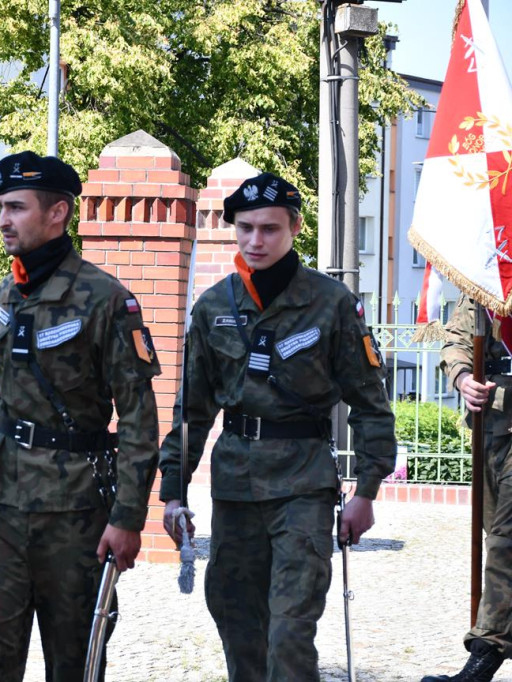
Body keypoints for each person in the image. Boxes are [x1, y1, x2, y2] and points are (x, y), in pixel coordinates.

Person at [158, 172, 396, 681]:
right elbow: (192, 411)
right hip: (237, 486)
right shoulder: (213, 307)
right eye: (245, 228)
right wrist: (173, 492)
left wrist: (367, 490)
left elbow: (370, 404)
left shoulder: (331, 304)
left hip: (303, 485)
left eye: (268, 228)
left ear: (294, 227)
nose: (255, 240)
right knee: (236, 616)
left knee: (290, 629)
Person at [0, 151, 161, 681]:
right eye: (2, 208)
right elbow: (4, 399)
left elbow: (139, 420)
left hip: (73, 515)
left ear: (58, 213)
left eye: (17, 208)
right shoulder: (10, 290)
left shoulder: (106, 300)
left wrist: (128, 517)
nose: (3, 220)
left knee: (75, 664)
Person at [425, 294, 512, 681]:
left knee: (505, 545)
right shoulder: (485, 276)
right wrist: (463, 377)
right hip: (493, 429)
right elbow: (457, 339)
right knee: (496, 532)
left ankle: (483, 657)